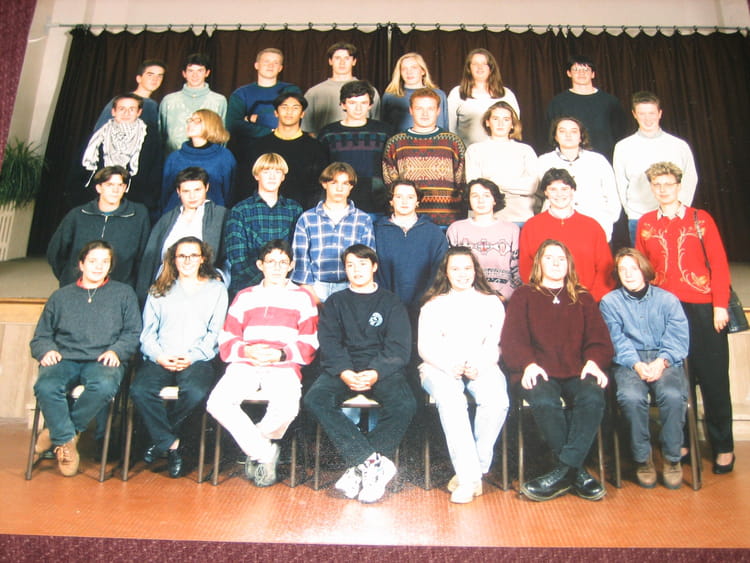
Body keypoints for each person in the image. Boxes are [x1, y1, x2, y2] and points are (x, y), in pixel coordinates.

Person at [635, 161, 734, 475]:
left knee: (714, 380)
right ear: (652, 188)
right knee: (677, 381)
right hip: (665, 310)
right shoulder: (646, 223)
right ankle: (682, 441)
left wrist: (720, 305)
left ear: (679, 186)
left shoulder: (700, 219)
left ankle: (723, 446)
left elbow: (719, 263)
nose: (663, 190)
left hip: (703, 308)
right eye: (657, 185)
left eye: (669, 184)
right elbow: (641, 269)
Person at [502, 239, 613, 502]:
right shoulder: (524, 296)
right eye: (549, 258)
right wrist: (527, 364)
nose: (555, 263)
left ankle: (563, 471)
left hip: (577, 370)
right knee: (544, 400)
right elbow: (512, 339)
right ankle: (578, 473)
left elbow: (599, 339)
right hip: (538, 370)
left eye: (561, 259)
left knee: (592, 396)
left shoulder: (583, 297)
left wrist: (593, 361)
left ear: (569, 264)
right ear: (538, 264)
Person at [303, 244, 416, 503]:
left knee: (405, 404)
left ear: (374, 266)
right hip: (344, 368)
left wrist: (376, 371)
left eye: (363, 264)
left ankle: (358, 467)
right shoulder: (336, 302)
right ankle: (371, 462)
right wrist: (344, 371)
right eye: (350, 265)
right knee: (315, 399)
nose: (356, 270)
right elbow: (330, 343)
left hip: (381, 369)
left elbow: (398, 347)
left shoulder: (391, 302)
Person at [207, 239, 319, 487]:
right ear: (260, 265)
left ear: (291, 265)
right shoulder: (245, 296)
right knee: (217, 403)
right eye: (271, 262)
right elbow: (226, 338)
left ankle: (255, 446)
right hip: (246, 362)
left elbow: (310, 342)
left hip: (282, 364)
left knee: (287, 408)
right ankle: (265, 453)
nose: (277, 267)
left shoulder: (302, 297)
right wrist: (245, 350)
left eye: (283, 262)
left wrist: (281, 354)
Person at [30, 240, 141, 477]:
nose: (98, 266)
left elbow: (132, 332)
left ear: (110, 266)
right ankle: (67, 439)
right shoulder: (61, 296)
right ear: (81, 264)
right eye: (92, 261)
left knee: (104, 385)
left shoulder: (124, 294)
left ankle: (57, 434)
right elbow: (41, 336)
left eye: (105, 262)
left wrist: (117, 351)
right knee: (46, 386)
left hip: (103, 359)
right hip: (64, 358)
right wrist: (46, 350)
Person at [130, 237, 228, 478]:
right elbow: (147, 333)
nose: (187, 261)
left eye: (193, 255)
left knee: (196, 392)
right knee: (140, 390)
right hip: (162, 356)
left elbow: (215, 333)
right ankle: (172, 444)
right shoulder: (159, 289)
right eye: (182, 256)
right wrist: (159, 356)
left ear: (203, 259)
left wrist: (192, 357)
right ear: (173, 260)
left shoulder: (216, 290)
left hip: (196, 359)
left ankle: (159, 440)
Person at [418, 247, 508, 503]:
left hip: (482, 365)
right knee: (452, 402)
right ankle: (469, 481)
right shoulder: (433, 304)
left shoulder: (491, 302)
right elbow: (425, 347)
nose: (462, 274)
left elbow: (495, 343)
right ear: (445, 272)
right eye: (455, 269)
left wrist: (481, 364)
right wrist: (448, 365)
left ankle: (473, 470)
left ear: (475, 270)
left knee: (497, 402)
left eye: (467, 268)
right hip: (439, 367)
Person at [600, 248, 689, 489]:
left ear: (644, 270)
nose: (629, 274)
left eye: (634, 268)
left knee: (672, 395)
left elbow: (678, 337)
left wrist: (662, 361)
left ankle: (672, 458)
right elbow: (615, 339)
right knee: (630, 397)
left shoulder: (668, 300)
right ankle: (643, 459)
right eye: (623, 270)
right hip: (629, 361)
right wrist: (636, 364)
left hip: (663, 358)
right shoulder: (610, 303)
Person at [613, 91, 698, 243]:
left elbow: (690, 179)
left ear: (660, 114)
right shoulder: (623, 147)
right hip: (639, 217)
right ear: (634, 114)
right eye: (642, 113)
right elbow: (620, 183)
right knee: (643, 259)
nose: (648, 119)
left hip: (674, 215)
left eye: (652, 113)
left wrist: (678, 209)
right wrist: (631, 211)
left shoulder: (678, 145)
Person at [519, 168, 614, 301]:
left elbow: (606, 269)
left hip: (587, 301)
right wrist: (541, 297)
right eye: (553, 189)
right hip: (545, 301)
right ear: (545, 192)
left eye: (564, 189)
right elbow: (526, 267)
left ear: (573, 191)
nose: (559, 194)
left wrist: (591, 299)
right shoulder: (531, 226)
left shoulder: (592, 226)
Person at [49, 166, 150, 289]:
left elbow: (144, 257)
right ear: (99, 188)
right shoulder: (77, 215)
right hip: (78, 287)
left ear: (125, 188)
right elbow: (56, 253)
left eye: (120, 185)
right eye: (109, 185)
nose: (115, 190)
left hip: (119, 288)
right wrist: (69, 277)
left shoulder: (139, 215)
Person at [137, 167, 227, 304]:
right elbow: (150, 260)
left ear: (207, 188)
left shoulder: (221, 216)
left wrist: (219, 276)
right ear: (178, 192)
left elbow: (229, 258)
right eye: (186, 191)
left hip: (203, 289)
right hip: (166, 287)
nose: (192, 196)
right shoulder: (166, 220)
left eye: (197, 190)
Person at [292, 162, 375, 303]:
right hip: (315, 286)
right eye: (334, 183)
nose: (339, 188)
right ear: (324, 184)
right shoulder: (307, 218)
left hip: (349, 287)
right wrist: (312, 297)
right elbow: (300, 260)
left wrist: (357, 292)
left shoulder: (363, 219)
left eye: (345, 183)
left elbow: (367, 260)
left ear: (351, 187)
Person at [382, 88, 466, 227]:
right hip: (407, 221)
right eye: (419, 108)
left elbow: (462, 183)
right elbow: (391, 184)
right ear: (411, 110)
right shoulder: (396, 143)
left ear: (438, 111)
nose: (425, 114)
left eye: (430, 109)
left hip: (447, 220)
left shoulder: (453, 142)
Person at [225, 153, 302, 297]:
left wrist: (280, 281)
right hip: (249, 286)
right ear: (256, 175)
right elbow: (237, 258)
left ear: (283, 177)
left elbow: (297, 251)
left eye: (277, 172)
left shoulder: (294, 209)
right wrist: (265, 284)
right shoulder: (240, 210)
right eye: (266, 171)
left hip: (285, 286)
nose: (272, 177)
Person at [73, 93, 162, 217]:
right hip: (96, 201)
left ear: (139, 112)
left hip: (134, 204)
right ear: (113, 111)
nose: (126, 113)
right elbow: (79, 170)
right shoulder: (96, 137)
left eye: (132, 109)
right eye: (122, 109)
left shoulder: (151, 139)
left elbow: (155, 175)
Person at [374, 179, 447, 321]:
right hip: (385, 307)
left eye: (410, 197)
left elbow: (439, 270)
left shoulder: (434, 233)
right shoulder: (377, 231)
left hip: (424, 307)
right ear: (391, 201)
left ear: (417, 201)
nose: (404, 201)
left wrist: (424, 299)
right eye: (399, 196)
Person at [318, 80, 393, 219]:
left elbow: (391, 169)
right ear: (343, 104)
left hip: (376, 202)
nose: (358, 108)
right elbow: (322, 171)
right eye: (352, 103)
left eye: (363, 103)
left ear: (370, 105)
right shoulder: (328, 133)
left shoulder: (384, 132)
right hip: (339, 203)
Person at [537, 116, 621, 241]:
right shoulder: (543, 161)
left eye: (574, 131)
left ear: (581, 136)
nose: (568, 135)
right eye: (562, 131)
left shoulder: (598, 160)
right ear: (555, 136)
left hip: (596, 226)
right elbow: (537, 197)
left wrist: (607, 220)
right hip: (556, 228)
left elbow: (612, 196)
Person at [242, 92, 328, 208]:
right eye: (284, 107)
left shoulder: (316, 147)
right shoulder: (258, 146)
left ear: (302, 114)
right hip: (264, 210)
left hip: (303, 211)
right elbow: (247, 183)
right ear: (276, 113)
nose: (289, 112)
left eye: (295, 108)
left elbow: (320, 187)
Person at [447, 178, 521, 301]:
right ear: (468, 200)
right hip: (465, 298)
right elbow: (450, 268)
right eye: (475, 196)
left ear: (494, 200)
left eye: (486, 195)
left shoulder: (512, 230)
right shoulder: (456, 229)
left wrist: (504, 297)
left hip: (503, 298)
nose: (480, 200)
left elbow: (517, 270)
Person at [464, 101, 538, 225]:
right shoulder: (475, 150)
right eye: (495, 119)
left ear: (512, 124)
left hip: (521, 216)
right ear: (487, 122)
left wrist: (492, 181)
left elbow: (531, 186)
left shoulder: (525, 150)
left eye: (506, 119)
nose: (500, 124)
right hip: (486, 219)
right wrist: (516, 186)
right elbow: (475, 187)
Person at [545, 54, 627, 162]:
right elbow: (551, 135)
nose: (581, 73)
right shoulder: (557, 103)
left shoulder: (610, 101)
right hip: (569, 160)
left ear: (593, 74)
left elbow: (621, 133)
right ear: (569, 73)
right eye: (576, 69)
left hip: (606, 158)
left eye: (586, 69)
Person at [161, 109, 236, 212]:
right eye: (190, 120)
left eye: (197, 121)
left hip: (213, 216)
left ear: (210, 125)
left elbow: (230, 194)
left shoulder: (224, 157)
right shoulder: (174, 158)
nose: (191, 124)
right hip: (177, 215)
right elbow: (165, 194)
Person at [301, 42, 381, 136]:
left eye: (347, 58)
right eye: (337, 58)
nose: (342, 63)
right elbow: (309, 130)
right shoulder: (314, 93)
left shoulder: (369, 91)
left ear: (354, 61)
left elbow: (376, 126)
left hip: (363, 143)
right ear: (330, 61)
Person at [447, 48, 520, 147]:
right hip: (465, 153)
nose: (480, 67)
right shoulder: (457, 93)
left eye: (484, 64)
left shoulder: (507, 94)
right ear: (469, 68)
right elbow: (450, 129)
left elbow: (514, 126)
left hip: (500, 151)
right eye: (475, 64)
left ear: (491, 67)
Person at [225, 48, 301, 141]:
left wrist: (254, 118)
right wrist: (270, 132)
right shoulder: (241, 93)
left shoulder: (291, 90)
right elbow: (233, 125)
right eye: (266, 62)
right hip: (249, 147)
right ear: (256, 65)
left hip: (284, 145)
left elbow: (292, 119)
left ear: (280, 68)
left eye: (276, 63)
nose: (270, 66)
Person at [158, 53, 227, 154]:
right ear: (184, 73)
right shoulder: (169, 101)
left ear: (207, 73)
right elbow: (160, 136)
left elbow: (221, 136)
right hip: (174, 157)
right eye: (190, 71)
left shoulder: (219, 101)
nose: (195, 75)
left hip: (208, 158)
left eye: (200, 71)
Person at [92, 59, 166, 131]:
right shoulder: (121, 101)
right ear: (139, 78)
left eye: (159, 76)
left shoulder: (153, 105)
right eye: (150, 75)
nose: (155, 79)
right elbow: (100, 131)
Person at [381, 52, 448, 131]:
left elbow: (445, 127)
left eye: (414, 67)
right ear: (400, 73)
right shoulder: (390, 96)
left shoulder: (439, 94)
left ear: (423, 71)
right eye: (404, 69)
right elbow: (382, 128)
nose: (409, 72)